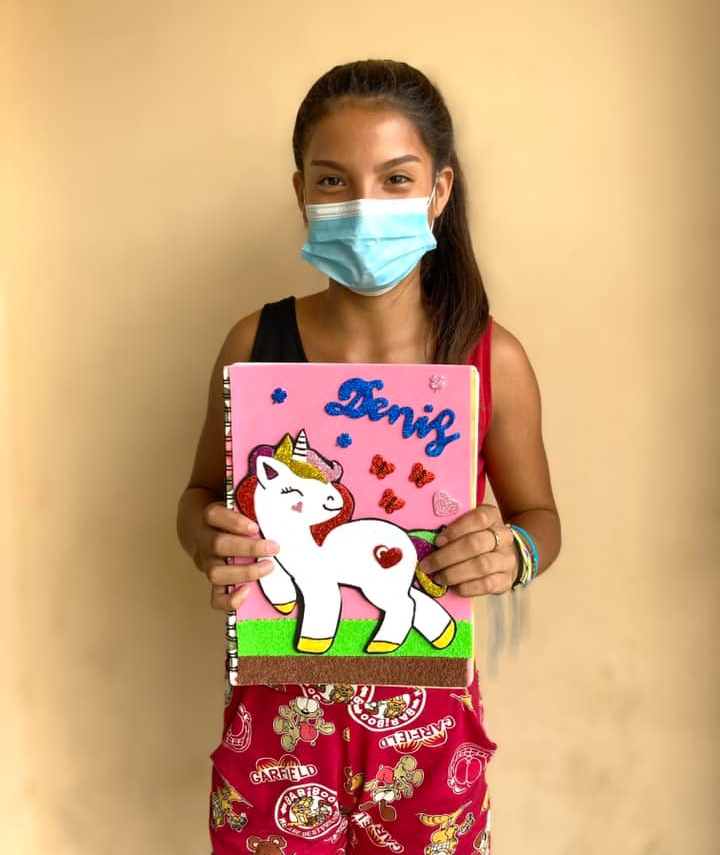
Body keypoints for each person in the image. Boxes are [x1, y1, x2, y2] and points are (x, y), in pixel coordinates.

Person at [176, 59, 561, 854]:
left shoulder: (491, 358)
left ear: (440, 190)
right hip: (274, 726)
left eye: (395, 178)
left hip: (430, 740)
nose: (362, 206)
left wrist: (513, 553)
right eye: (333, 181)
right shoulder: (253, 345)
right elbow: (198, 496)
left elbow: (539, 517)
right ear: (301, 193)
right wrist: (209, 538)